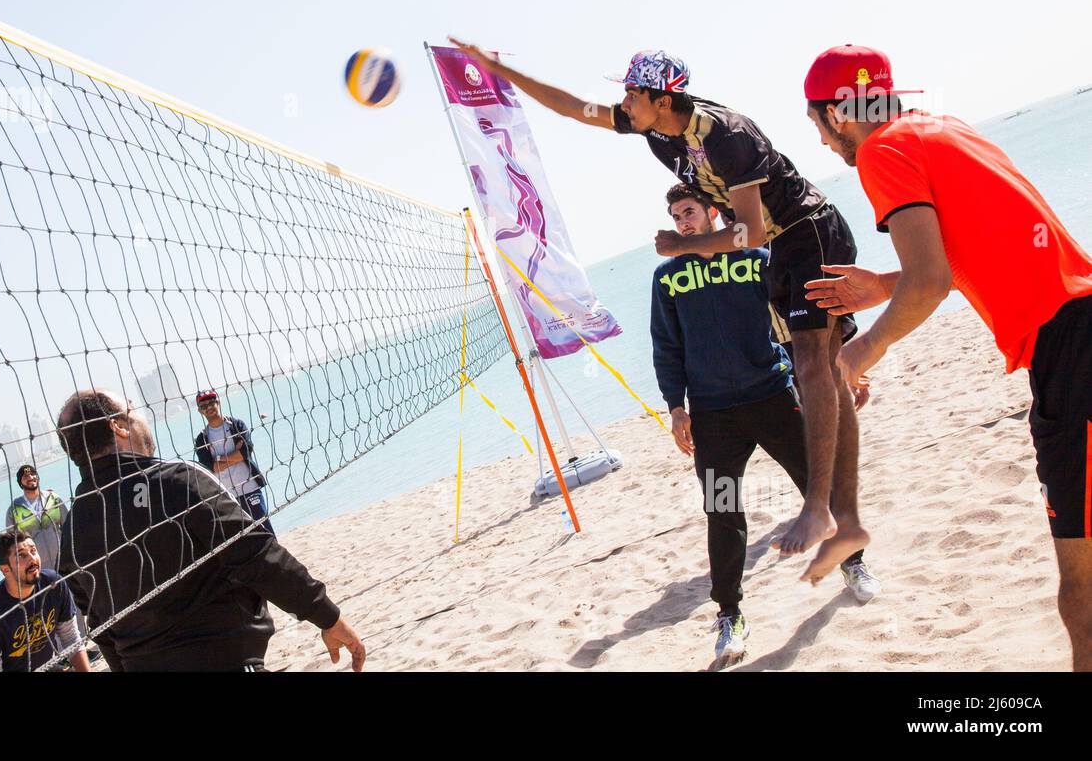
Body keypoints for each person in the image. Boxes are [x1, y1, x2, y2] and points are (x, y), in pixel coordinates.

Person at [448, 38, 867, 569]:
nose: (623, 103)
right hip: (784, 243)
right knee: (823, 369)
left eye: (630, 93)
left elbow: (751, 233)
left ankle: (819, 507)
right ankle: (844, 505)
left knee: (811, 366)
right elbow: (575, 109)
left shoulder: (726, 136)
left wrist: (684, 246)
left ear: (663, 99)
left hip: (807, 231)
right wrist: (498, 71)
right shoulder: (653, 124)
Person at [801, 44, 1092, 670]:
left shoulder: (880, 150)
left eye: (817, 126)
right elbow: (979, 248)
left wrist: (862, 350)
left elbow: (930, 280)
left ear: (836, 115)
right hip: (1075, 328)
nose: (825, 145)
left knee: (1082, 590)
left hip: (1072, 350)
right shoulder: (943, 128)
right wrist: (884, 285)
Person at [653, 184, 881, 667]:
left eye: (690, 212)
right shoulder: (668, 277)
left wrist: (842, 365)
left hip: (772, 395)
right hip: (713, 416)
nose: (683, 223)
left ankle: (852, 563)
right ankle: (729, 615)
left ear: (715, 213)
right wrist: (676, 407)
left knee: (815, 482)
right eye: (676, 216)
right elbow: (666, 346)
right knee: (723, 510)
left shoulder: (757, 258)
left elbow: (806, 315)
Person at [55, 388, 365, 672]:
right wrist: (327, 616)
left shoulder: (70, 532)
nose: (141, 416)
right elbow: (258, 555)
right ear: (118, 426)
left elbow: (100, 625)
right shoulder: (176, 480)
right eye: (133, 408)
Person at [0, 530, 91, 672]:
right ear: (5, 570)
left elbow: (70, 638)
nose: (32, 559)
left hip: (48, 667)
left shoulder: (54, 584)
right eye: (21, 555)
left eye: (33, 551)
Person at [193, 389, 273, 534]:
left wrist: (220, 459)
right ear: (200, 411)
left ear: (218, 402)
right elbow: (211, 468)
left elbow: (246, 452)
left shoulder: (236, 425)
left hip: (250, 487)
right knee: (245, 539)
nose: (209, 407)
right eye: (204, 405)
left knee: (266, 531)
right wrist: (234, 455)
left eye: (212, 402)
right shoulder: (201, 439)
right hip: (226, 497)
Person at [8, 464, 68, 572]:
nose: (30, 478)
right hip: (36, 566)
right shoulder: (14, 509)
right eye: (25, 477)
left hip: (64, 559)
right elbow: (13, 543)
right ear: (20, 483)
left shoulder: (53, 498)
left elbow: (69, 526)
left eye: (33, 474)